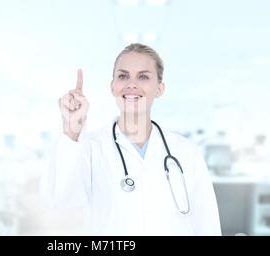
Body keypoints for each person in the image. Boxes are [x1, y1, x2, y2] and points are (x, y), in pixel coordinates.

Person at [40, 43, 221, 235]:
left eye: (143, 76)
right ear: (113, 87)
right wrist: (71, 130)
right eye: (123, 76)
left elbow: (207, 223)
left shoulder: (185, 152)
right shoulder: (90, 147)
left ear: (159, 89)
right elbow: (61, 201)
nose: (131, 84)